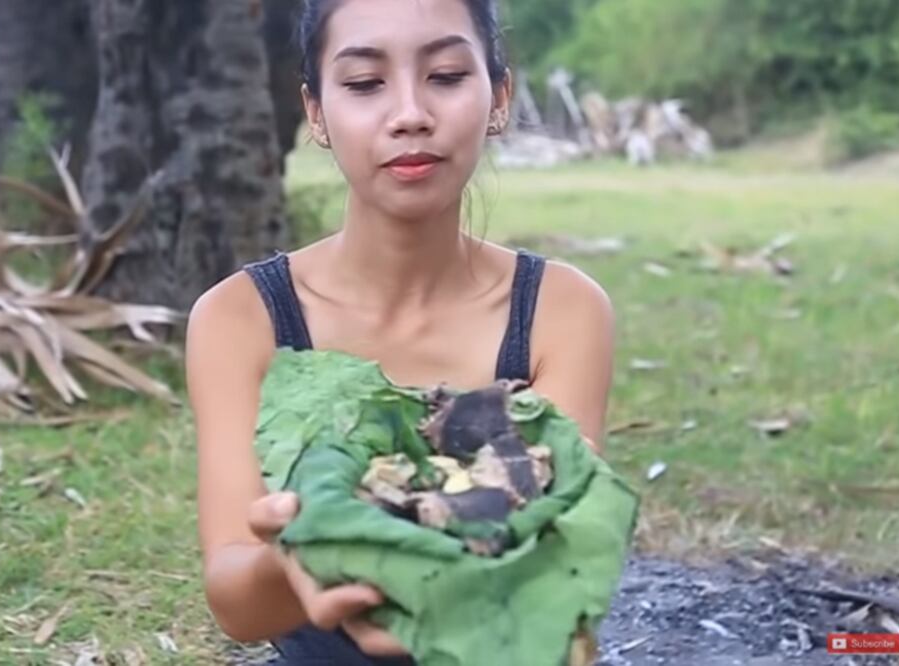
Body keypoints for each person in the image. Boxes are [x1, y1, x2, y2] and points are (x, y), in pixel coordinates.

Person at [185, 0, 614, 662]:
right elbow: (235, 601)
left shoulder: (562, 309)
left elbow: (551, 555)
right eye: (363, 84)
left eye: (444, 75)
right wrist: (304, 550)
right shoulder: (239, 318)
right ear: (316, 113)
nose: (410, 113)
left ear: (498, 97)